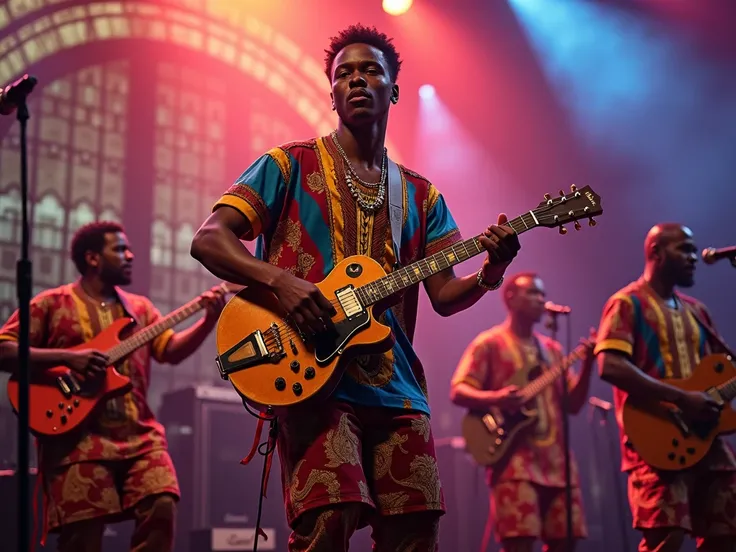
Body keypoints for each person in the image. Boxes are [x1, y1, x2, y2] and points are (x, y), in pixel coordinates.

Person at [190, 23, 521, 551]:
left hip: (397, 387)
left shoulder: (421, 194)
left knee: (417, 529)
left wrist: (489, 273)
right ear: (332, 94)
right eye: (344, 74)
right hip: (313, 374)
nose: (357, 81)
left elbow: (443, 296)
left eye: (370, 71)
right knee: (330, 518)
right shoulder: (287, 164)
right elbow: (209, 240)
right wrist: (283, 283)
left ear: (394, 89)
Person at [0, 221, 226, 552]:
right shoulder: (51, 304)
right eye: (120, 249)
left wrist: (208, 320)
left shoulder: (141, 310)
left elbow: (170, 351)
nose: (130, 255)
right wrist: (69, 358)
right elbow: (4, 349)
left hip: (140, 437)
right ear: (92, 258)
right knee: (83, 538)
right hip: (76, 442)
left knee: (162, 507)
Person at [595, 223, 736, 552]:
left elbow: (720, 371)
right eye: (684, 249)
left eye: (693, 249)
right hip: (656, 443)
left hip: (707, 442)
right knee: (666, 539)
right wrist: (681, 398)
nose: (693, 258)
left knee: (726, 533)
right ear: (656, 252)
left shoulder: (696, 311)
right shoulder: (627, 303)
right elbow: (610, 364)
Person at [450, 272, 594, 552]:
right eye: (533, 293)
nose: (542, 300)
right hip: (514, 464)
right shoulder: (489, 343)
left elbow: (573, 406)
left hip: (558, 466)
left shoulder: (552, 350)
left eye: (543, 294)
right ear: (511, 298)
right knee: (520, 543)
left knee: (566, 542)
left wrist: (587, 364)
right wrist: (498, 398)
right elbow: (458, 390)